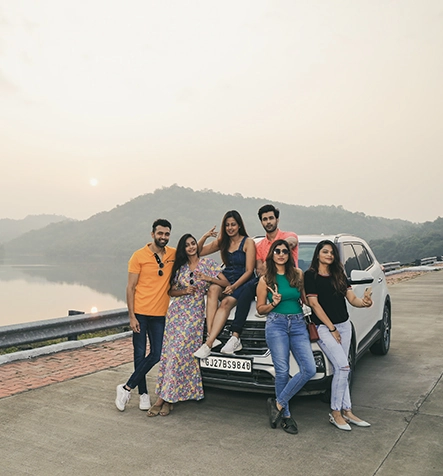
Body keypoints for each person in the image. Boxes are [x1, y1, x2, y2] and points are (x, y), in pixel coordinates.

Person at [147, 234, 229, 416]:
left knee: (179, 354)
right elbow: (171, 291)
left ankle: (161, 399)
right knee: (170, 355)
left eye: (193, 243)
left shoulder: (208, 263)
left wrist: (208, 278)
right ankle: (168, 400)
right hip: (176, 314)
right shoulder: (181, 267)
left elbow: (225, 283)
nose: (191, 247)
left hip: (194, 315)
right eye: (187, 245)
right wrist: (184, 290)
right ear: (183, 249)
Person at [304, 240, 373, 431]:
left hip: (344, 325)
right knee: (343, 367)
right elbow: (314, 305)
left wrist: (364, 302)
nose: (329, 255)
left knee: (343, 368)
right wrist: (331, 328)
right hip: (324, 328)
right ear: (318, 254)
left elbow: (352, 298)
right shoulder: (310, 275)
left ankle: (347, 411)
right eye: (325, 251)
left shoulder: (338, 274)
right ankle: (335, 413)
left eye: (332, 253)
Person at [220, 204, 299, 354]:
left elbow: (290, 242)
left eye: (271, 218)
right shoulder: (259, 245)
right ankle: (235, 336)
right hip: (268, 280)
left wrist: (273, 254)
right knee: (247, 288)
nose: (268, 222)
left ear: (277, 220)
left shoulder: (289, 235)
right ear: (261, 222)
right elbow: (260, 270)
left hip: (289, 279)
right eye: (265, 219)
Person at [115, 219, 176, 412]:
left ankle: (126, 388)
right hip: (140, 313)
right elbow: (130, 287)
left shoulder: (173, 254)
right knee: (139, 354)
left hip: (159, 315)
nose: (163, 237)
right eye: (160, 233)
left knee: (156, 354)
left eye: (167, 234)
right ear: (152, 234)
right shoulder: (138, 256)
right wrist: (132, 316)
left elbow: (193, 250)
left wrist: (206, 237)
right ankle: (143, 394)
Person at [256, 239, 316, 434]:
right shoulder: (265, 280)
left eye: (284, 251)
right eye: (277, 251)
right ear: (271, 254)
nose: (281, 254)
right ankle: (286, 416)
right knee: (282, 371)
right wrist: (274, 303)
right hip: (276, 324)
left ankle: (278, 404)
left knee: (309, 369)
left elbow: (305, 299)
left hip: (298, 323)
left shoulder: (297, 274)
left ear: (289, 255)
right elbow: (260, 309)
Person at [193, 210, 256, 359]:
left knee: (226, 302)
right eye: (227, 225)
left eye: (233, 224)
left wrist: (234, 287)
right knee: (213, 289)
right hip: (227, 277)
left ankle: (208, 344)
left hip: (242, 280)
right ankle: (211, 336)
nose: (230, 228)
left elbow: (249, 271)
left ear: (239, 225)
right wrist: (205, 237)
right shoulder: (223, 242)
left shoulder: (248, 242)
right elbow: (198, 252)